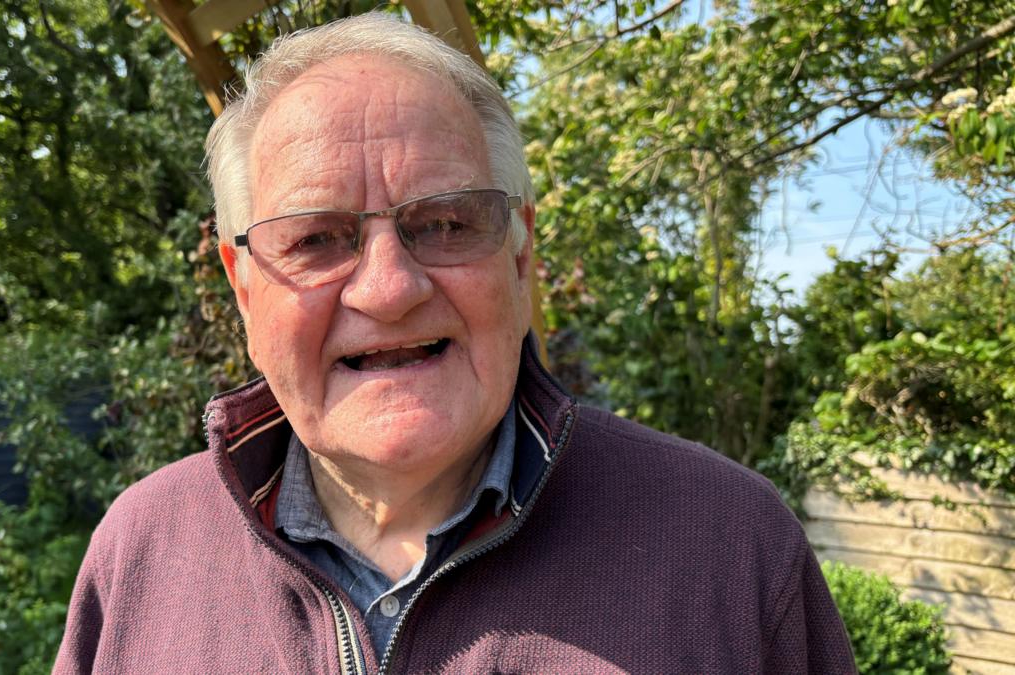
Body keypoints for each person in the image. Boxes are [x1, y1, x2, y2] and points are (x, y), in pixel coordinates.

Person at [54, 12, 855, 674]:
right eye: (316, 239)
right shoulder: (139, 551)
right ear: (244, 287)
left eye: (445, 223)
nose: (388, 288)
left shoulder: (733, 546)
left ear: (520, 256)